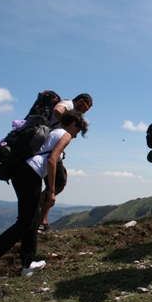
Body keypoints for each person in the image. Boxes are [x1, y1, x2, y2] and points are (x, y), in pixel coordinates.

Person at [0, 109, 89, 281]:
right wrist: (51, 190)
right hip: (31, 174)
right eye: (78, 131)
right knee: (25, 222)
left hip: (21, 171)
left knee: (32, 220)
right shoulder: (65, 135)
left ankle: (28, 264)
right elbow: (51, 160)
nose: (76, 135)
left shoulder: (52, 131)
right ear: (73, 124)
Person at [39, 93, 93, 230]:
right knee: (58, 182)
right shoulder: (69, 104)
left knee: (59, 182)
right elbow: (58, 110)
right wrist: (66, 127)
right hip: (51, 150)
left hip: (50, 147)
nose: (83, 112)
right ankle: (37, 217)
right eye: (85, 108)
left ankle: (40, 219)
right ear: (81, 101)